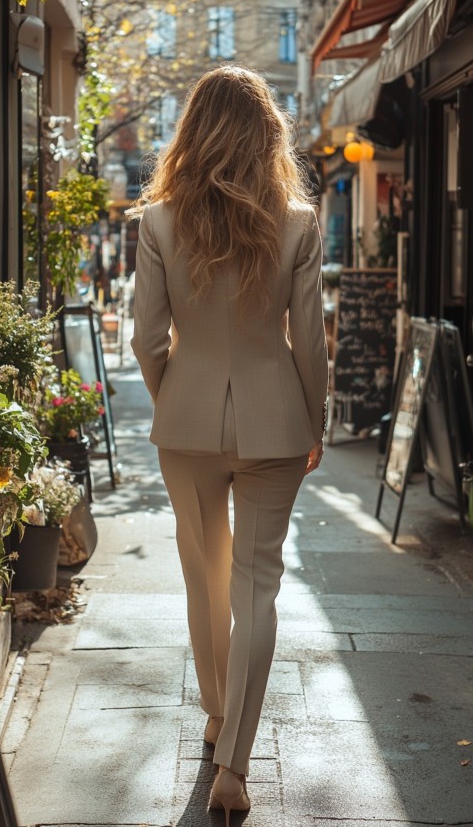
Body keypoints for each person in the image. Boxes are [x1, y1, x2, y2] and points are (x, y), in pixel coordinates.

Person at [131, 65, 328, 826]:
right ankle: (234, 769)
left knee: (204, 576)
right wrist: (315, 419)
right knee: (257, 586)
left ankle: (217, 718)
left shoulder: (158, 221)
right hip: (278, 421)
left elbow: (149, 340)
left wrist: (177, 400)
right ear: (268, 134)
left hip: (185, 425)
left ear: (192, 130)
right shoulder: (300, 223)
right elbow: (307, 342)